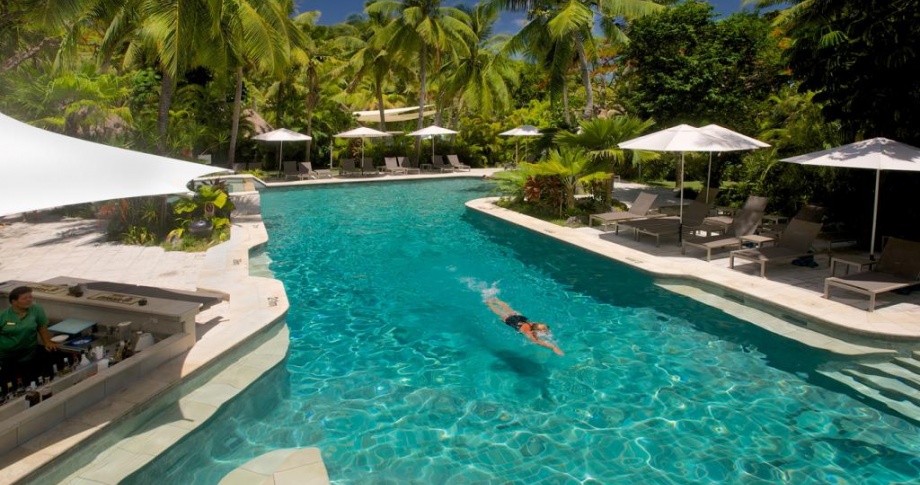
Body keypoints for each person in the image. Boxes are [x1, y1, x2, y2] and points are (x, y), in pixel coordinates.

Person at [0, 286, 59, 387]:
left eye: (30, 297)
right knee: (10, 383)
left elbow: (42, 326)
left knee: (29, 382)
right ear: (14, 302)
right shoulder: (3, 315)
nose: (29, 300)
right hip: (6, 357)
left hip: (28, 355)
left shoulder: (36, 309)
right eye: (24, 298)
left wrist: (47, 342)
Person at [485, 297, 563, 355]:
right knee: (500, 314)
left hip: (521, 319)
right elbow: (536, 341)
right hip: (514, 321)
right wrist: (553, 347)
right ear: (535, 331)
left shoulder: (534, 324)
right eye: (544, 331)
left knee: (510, 311)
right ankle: (489, 303)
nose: (546, 332)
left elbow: (541, 328)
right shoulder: (528, 332)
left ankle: (496, 300)